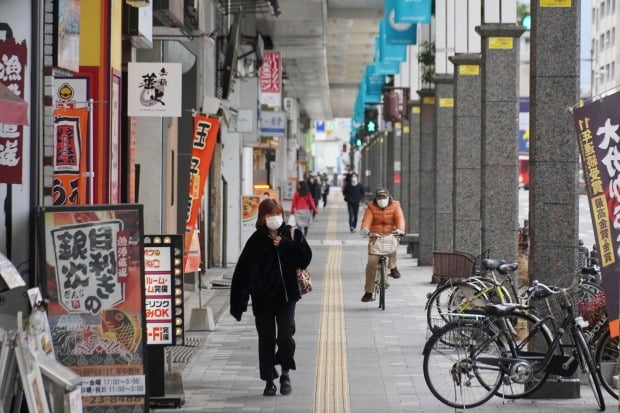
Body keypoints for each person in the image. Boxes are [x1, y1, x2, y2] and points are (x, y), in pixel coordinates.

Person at [230, 198, 312, 396]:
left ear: (281, 214)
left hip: (286, 298)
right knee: (265, 340)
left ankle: (285, 373)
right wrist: (238, 303)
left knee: (285, 336)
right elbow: (242, 273)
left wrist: (285, 245)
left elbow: (305, 258)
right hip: (263, 300)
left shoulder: (292, 234)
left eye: (276, 214)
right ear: (262, 217)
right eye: (269, 215)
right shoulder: (256, 241)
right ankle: (269, 380)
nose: (274, 218)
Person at [359, 188, 405, 302]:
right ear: (376, 198)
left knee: (393, 246)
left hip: (391, 235)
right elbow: (366, 220)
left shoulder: (395, 206)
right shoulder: (371, 207)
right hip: (376, 237)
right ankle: (369, 292)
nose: (381, 200)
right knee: (371, 264)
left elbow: (400, 219)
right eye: (379, 198)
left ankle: (393, 267)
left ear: (388, 197)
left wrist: (400, 229)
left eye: (384, 197)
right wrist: (365, 229)